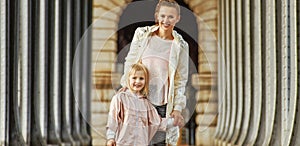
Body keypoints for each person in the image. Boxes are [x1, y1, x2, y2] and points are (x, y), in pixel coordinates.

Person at [120, 0, 189, 145]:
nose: (166, 20)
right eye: (163, 16)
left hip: (162, 107)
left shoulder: (181, 45)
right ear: (156, 16)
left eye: (171, 16)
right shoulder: (142, 34)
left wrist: (177, 109)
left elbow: (180, 80)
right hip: (139, 101)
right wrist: (126, 87)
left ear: (178, 18)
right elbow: (130, 63)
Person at [106, 63, 179, 146]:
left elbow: (157, 122)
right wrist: (111, 138)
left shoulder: (146, 104)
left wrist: (173, 121)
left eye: (141, 78)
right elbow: (113, 120)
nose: (137, 81)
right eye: (134, 78)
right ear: (128, 79)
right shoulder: (120, 98)